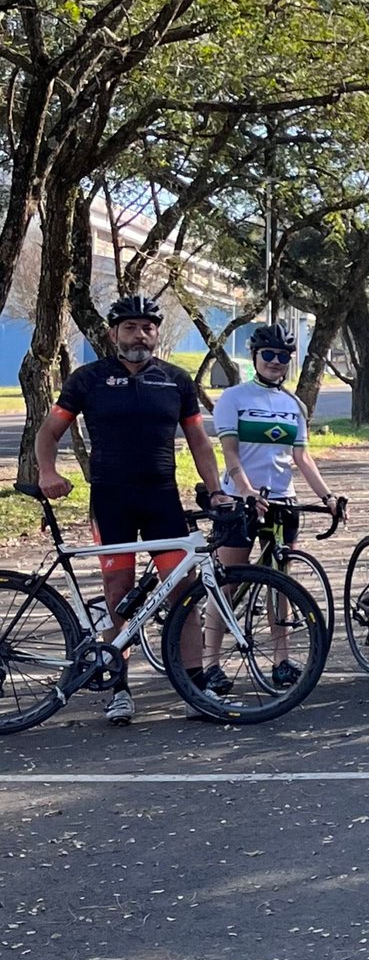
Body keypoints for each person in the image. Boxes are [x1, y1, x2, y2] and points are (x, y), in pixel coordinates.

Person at [33, 293, 232, 725]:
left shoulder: (176, 381)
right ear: (113, 334)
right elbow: (48, 433)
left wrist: (216, 490)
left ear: (156, 334)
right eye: (130, 327)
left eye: (147, 327)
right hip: (111, 501)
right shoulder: (88, 379)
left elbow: (199, 441)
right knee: (118, 594)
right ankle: (119, 688)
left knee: (183, 591)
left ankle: (194, 687)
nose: (139, 334)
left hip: (162, 499)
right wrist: (47, 472)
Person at [205, 322, 340, 691]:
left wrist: (328, 497)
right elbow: (230, 454)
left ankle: (281, 661)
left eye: (283, 356)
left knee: (281, 585)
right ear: (255, 356)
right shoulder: (234, 398)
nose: (276, 361)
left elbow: (302, 457)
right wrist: (247, 491)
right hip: (240, 501)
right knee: (228, 581)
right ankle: (210, 663)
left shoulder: (293, 404)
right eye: (269, 354)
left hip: (282, 501)